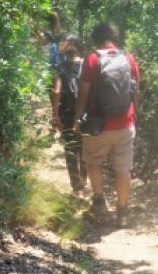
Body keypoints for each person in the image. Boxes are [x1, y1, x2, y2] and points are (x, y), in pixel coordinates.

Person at [73, 22, 139, 228]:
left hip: (97, 124)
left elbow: (83, 92)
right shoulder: (128, 58)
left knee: (93, 162)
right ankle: (122, 213)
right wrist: (133, 114)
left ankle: (100, 204)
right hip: (125, 122)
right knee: (123, 168)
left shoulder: (92, 59)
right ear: (114, 36)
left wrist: (77, 119)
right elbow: (136, 90)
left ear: (96, 37)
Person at [51, 34, 87, 197]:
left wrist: (55, 115)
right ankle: (85, 180)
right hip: (86, 114)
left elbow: (57, 91)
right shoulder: (88, 65)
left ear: (64, 49)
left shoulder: (59, 67)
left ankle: (77, 189)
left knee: (70, 151)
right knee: (86, 148)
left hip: (66, 113)